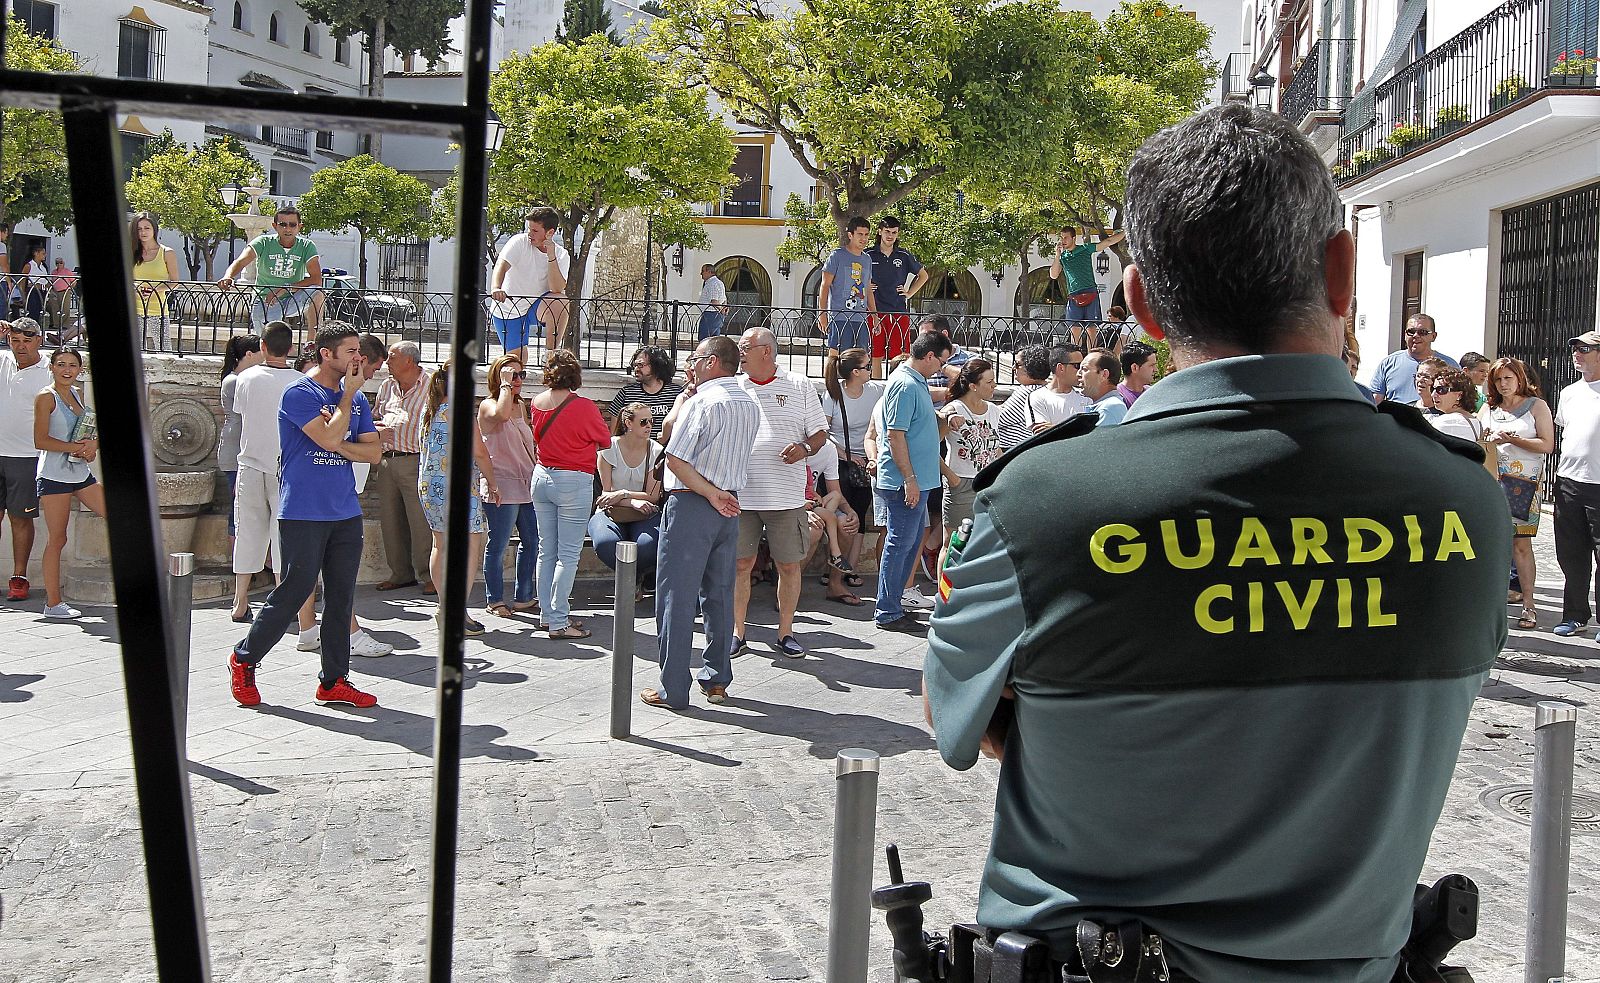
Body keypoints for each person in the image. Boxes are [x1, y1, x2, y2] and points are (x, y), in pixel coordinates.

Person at [926, 103, 1509, 983]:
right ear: (1343, 273)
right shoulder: (1466, 499)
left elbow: (955, 722)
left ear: (1142, 305)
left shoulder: (1041, 503)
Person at [228, 323, 382, 709]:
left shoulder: (357, 399)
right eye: (350, 352)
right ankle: (244, 659)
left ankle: (333, 681)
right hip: (302, 510)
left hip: (344, 510)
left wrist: (343, 425)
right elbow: (331, 441)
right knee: (295, 590)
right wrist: (346, 403)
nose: (358, 360)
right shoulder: (299, 393)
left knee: (342, 596)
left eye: (359, 353)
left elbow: (374, 453)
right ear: (325, 354)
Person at [639, 335, 760, 709]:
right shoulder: (749, 402)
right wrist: (719, 494)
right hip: (730, 504)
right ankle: (717, 678)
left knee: (676, 596)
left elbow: (675, 459)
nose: (689, 364)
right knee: (720, 594)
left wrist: (709, 493)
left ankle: (672, 688)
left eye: (695, 358)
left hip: (694, 503)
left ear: (711, 362)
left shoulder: (703, 401)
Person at [727, 326, 830, 657]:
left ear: (766, 351)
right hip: (740, 495)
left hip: (785, 497)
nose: (739, 353)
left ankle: (785, 632)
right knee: (740, 564)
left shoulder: (799, 385)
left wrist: (803, 448)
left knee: (788, 565)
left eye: (745, 347)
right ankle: (737, 632)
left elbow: (819, 434)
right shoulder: (733, 386)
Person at [529, 350, 610, 639]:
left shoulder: (536, 402)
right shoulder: (584, 406)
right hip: (572, 480)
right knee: (568, 554)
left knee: (545, 550)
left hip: (541, 476)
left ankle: (547, 615)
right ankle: (559, 621)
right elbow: (603, 439)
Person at [873, 330, 951, 632]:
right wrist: (909, 479)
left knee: (907, 543)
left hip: (916, 480)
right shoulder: (905, 385)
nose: (941, 368)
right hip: (904, 482)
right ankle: (887, 610)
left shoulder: (914, 381)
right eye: (941, 362)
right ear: (929, 356)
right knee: (900, 544)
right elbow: (895, 435)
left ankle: (894, 603)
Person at [417, 359, 499, 638]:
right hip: (458, 488)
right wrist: (493, 481)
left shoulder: (429, 410)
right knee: (468, 549)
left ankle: (444, 606)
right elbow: (478, 452)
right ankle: (456, 612)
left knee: (440, 545)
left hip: (430, 486)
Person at [228, 321, 300, 623]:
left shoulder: (246, 378)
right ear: (291, 348)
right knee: (284, 535)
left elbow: (241, 413)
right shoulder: (300, 381)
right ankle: (283, 602)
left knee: (248, 531)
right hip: (286, 465)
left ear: (263, 347)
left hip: (251, 461)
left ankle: (239, 600)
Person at [31, 346, 103, 619]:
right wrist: (74, 446)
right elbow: (41, 441)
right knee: (57, 538)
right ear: (52, 367)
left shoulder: (76, 393)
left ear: (79, 370)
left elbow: (84, 430)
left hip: (79, 471)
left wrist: (91, 447)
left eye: (72, 365)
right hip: (54, 475)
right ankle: (53, 603)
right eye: (61, 364)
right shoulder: (45, 397)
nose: (66, 370)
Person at [1482, 356, 1553, 631]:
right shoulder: (1489, 408)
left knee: (1520, 546)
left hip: (1524, 483)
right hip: (1494, 481)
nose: (1503, 384)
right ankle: (1492, 604)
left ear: (1520, 379)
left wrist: (1514, 439)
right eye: (1498, 379)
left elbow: (1547, 444)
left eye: (1508, 378)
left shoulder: (1536, 406)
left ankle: (1529, 604)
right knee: (1493, 546)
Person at [479, 353, 540, 619]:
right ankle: (494, 599)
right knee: (499, 543)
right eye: (511, 375)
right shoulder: (488, 406)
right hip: (501, 483)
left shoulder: (521, 405)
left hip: (526, 481)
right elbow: (501, 416)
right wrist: (504, 386)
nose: (517, 380)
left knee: (531, 541)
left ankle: (524, 595)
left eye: (520, 375)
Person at [371, 340, 435, 593]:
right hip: (386, 460)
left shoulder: (432, 386)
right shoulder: (386, 386)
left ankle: (430, 574)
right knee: (390, 520)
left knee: (420, 521)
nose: (387, 361)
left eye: (392, 357)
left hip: (416, 460)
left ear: (409, 360)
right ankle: (400, 573)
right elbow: (376, 415)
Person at [1552, 329, 1600, 639]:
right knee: (1571, 554)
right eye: (1575, 348)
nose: (1577, 353)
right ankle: (1575, 614)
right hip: (1569, 482)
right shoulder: (1569, 392)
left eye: (1585, 348)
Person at [588, 401, 664, 595]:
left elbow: (653, 496)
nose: (649, 426)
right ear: (628, 423)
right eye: (643, 422)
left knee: (648, 545)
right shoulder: (609, 448)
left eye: (651, 421)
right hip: (611, 512)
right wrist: (632, 501)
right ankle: (628, 580)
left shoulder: (655, 450)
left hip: (645, 512)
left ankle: (633, 579)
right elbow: (606, 495)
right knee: (606, 543)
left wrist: (623, 494)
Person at [821, 347, 883, 577]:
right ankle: (833, 571)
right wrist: (846, 455)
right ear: (856, 372)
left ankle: (852, 569)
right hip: (839, 464)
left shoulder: (875, 391)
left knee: (860, 517)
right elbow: (823, 432)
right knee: (841, 518)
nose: (872, 369)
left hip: (866, 463)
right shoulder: (834, 394)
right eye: (868, 366)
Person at [1, 318, 49, 602]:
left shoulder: (49, 371)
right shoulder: (3, 360)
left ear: (38, 341)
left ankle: (19, 578)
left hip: (27, 457)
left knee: (20, 519)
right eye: (16, 340)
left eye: (27, 341)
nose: (21, 347)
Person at [217, 207, 324, 332]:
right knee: (269, 343)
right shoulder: (263, 242)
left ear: (299, 226)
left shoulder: (307, 246)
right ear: (274, 226)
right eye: (283, 224)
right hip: (265, 299)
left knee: (317, 292)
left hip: (291, 298)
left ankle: (311, 343)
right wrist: (228, 276)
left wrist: (285, 288)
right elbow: (241, 261)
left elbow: (316, 280)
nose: (288, 229)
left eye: (292, 225)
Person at [937, 358, 1001, 567]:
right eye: (989, 382)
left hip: (987, 484)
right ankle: (944, 596)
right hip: (961, 483)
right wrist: (952, 478)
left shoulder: (993, 410)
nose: (994, 386)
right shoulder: (955, 409)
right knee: (952, 543)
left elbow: (995, 447)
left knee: (981, 545)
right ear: (973, 386)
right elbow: (930, 447)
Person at [488, 206, 570, 361]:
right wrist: (496, 288)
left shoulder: (561, 255)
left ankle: (551, 355)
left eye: (535, 231)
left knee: (560, 300)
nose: (529, 234)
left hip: (536, 307)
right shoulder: (519, 242)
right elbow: (501, 266)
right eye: (529, 229)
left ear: (550, 233)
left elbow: (557, 288)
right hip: (509, 308)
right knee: (517, 360)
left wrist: (551, 256)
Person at [217, 333, 263, 557]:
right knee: (237, 509)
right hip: (235, 452)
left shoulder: (236, 379)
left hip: (236, 449)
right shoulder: (236, 381)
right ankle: (237, 561)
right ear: (249, 355)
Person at [866, 216, 929, 378]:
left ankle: (896, 387)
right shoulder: (867, 255)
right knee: (875, 355)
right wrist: (865, 286)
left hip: (898, 311)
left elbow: (923, 276)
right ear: (880, 232)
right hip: (875, 312)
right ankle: (878, 390)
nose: (890, 235)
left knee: (899, 357)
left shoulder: (903, 255)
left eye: (894, 232)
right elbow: (856, 277)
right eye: (887, 231)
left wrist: (909, 292)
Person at [1365, 313, 1458, 404]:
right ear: (1405, 335)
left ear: (1433, 336)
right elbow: (1375, 400)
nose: (1415, 336)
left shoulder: (1449, 365)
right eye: (1411, 332)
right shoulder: (1388, 363)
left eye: (1422, 332)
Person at [817, 216, 876, 356]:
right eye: (860, 234)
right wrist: (822, 314)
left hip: (860, 318)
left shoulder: (867, 259)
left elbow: (868, 289)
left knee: (859, 356)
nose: (864, 238)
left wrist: (874, 316)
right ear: (850, 235)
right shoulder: (836, 256)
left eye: (866, 235)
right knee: (836, 355)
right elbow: (825, 286)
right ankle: (831, 378)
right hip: (839, 317)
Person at [1048, 225, 1124, 331]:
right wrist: (1057, 255)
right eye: (1061, 237)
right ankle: (1075, 348)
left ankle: (1091, 348)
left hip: (1090, 291)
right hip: (1074, 295)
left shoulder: (1085, 249)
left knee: (1091, 329)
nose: (1063, 240)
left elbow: (1108, 242)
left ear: (1073, 238)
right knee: (1074, 329)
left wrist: (1126, 232)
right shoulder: (1063, 257)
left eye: (1066, 237)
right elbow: (1053, 275)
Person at [606, 346, 682, 440]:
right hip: (634, 451)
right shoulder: (626, 394)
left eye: (641, 365)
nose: (636, 369)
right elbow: (615, 433)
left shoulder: (676, 394)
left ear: (656, 365)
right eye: (635, 365)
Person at [129, 212, 180, 349]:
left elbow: (174, 281)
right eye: (139, 229)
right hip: (134, 309)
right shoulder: (131, 253)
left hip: (158, 309)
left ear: (154, 229)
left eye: (147, 228)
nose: (143, 232)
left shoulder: (167, 253)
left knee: (164, 349)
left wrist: (155, 290)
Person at [994, 343, 1048, 452]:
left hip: (1012, 450)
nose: (1014, 368)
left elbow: (997, 419)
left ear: (1031, 366)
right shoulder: (1044, 389)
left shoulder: (1028, 392)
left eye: (1018, 364)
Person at [1028, 345, 1090, 431]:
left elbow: (1090, 433)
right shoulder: (1038, 397)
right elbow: (1042, 435)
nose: (1081, 371)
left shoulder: (1086, 397)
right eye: (1077, 366)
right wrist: (1076, 429)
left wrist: (1055, 428)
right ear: (1061, 368)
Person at [1424, 368, 1483, 443]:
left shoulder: (1447, 421)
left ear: (1459, 395)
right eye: (1433, 389)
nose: (1433, 395)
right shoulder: (1476, 422)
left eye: (1441, 390)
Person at [1079, 347, 1128, 426]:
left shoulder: (1109, 409)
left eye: (1084, 369)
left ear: (1104, 375)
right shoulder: (1106, 407)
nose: (1078, 374)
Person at [1117, 340, 1158, 408]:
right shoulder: (1119, 397)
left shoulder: (1152, 393)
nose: (1156, 370)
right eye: (1151, 365)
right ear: (1135, 368)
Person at [695, 264, 728, 340]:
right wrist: (724, 308)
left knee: (705, 339)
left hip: (711, 314)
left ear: (709, 272)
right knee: (713, 339)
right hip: (715, 314)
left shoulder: (712, 284)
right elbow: (724, 299)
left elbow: (714, 301)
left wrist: (722, 310)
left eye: (703, 271)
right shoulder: (719, 282)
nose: (701, 273)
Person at [19, 244, 48, 326]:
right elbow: (23, 280)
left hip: (42, 291)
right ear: (36, 253)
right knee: (33, 312)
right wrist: (23, 296)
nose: (45, 255)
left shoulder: (43, 267)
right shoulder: (29, 265)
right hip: (33, 291)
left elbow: (45, 281)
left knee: (39, 312)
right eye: (43, 253)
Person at [45, 258, 72, 335]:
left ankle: (65, 325)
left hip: (65, 291)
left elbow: (73, 281)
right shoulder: (54, 272)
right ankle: (56, 325)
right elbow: (51, 281)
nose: (59, 264)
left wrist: (69, 289)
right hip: (55, 291)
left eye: (60, 263)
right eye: (57, 263)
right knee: (55, 308)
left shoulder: (67, 271)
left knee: (65, 308)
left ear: (63, 263)